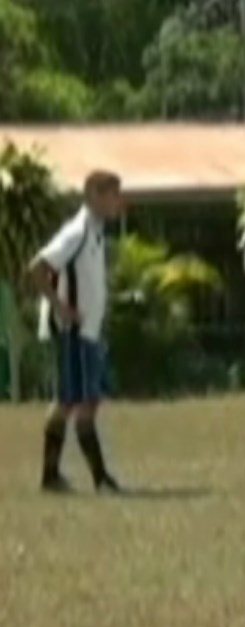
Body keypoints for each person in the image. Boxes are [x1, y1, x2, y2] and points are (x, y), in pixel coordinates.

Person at [30, 170, 125, 493]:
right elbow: (38, 268)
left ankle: (56, 475)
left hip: (88, 331)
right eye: (112, 194)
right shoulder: (77, 232)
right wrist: (61, 308)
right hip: (72, 330)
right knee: (78, 401)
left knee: (78, 400)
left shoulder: (95, 233)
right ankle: (96, 478)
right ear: (94, 196)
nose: (118, 202)